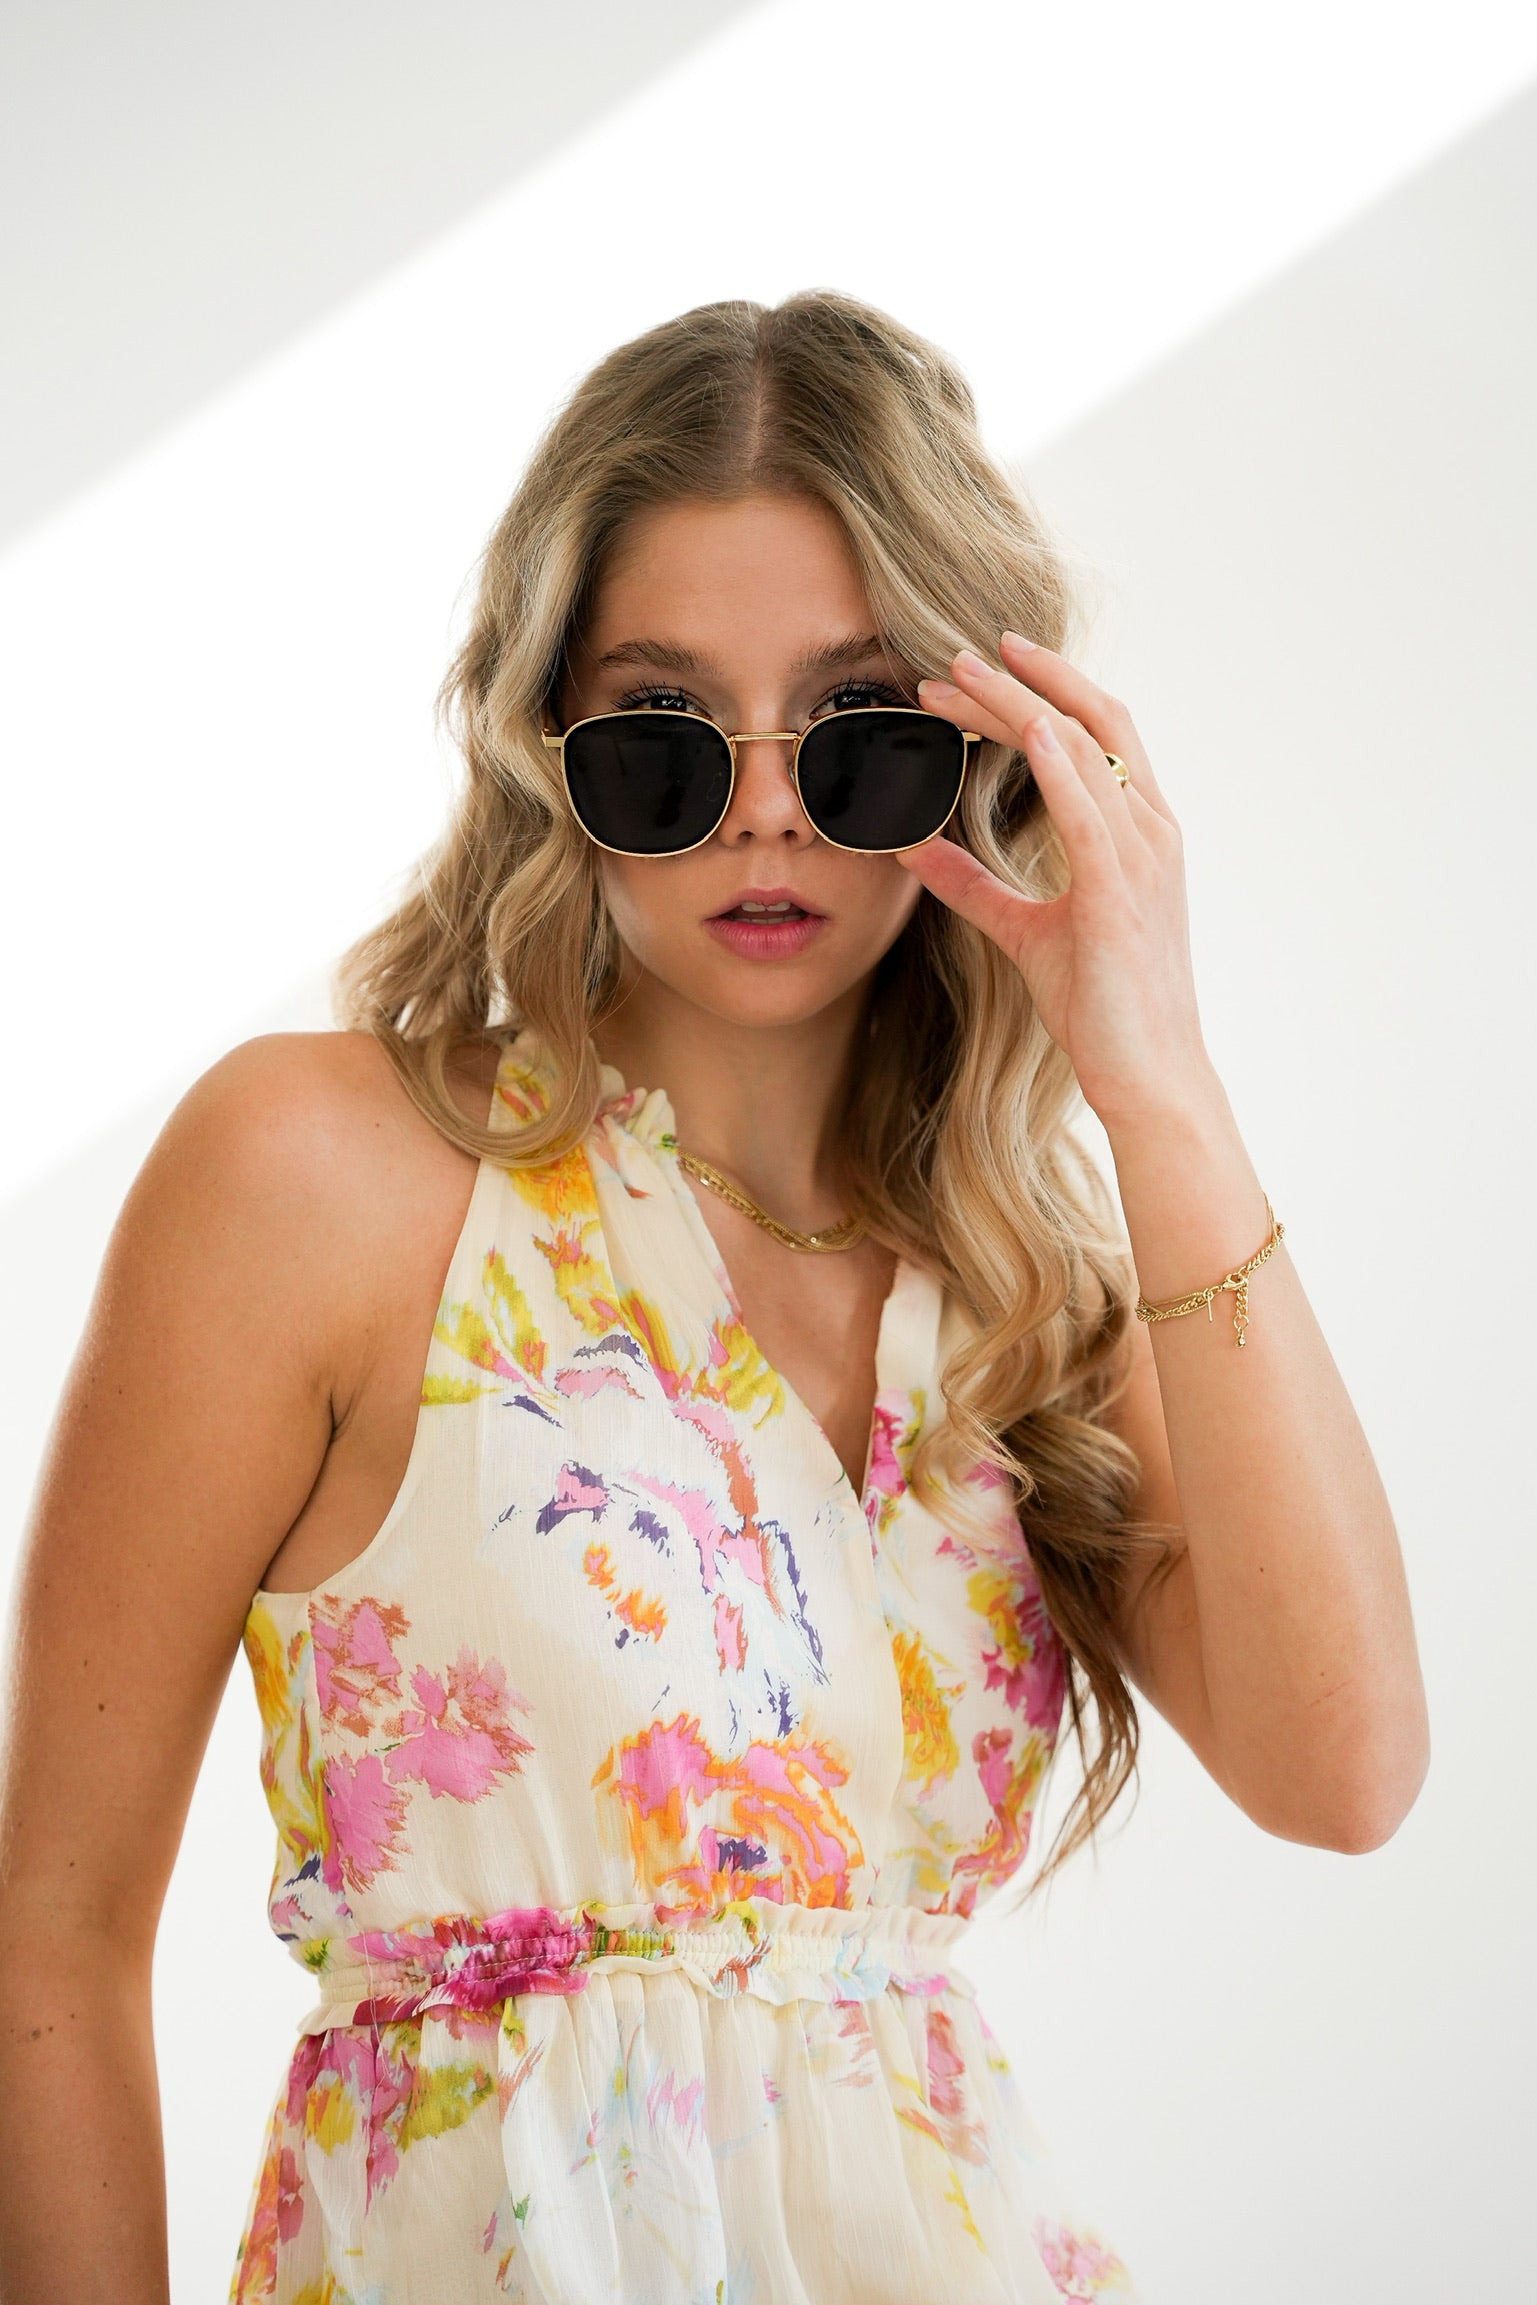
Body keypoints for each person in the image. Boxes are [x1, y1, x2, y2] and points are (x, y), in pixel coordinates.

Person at [0, 291, 1429, 2305]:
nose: (765, 811)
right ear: (545, 747)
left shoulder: (1026, 1300)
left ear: (983, 751)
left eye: (858, 734)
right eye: (666, 738)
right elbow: (49, 1939)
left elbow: (1345, 1773)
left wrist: (1158, 1080)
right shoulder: (315, 1175)